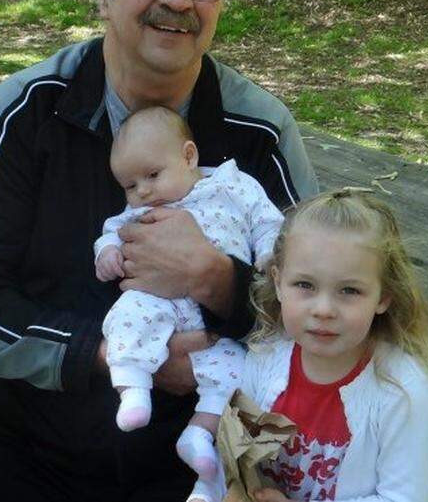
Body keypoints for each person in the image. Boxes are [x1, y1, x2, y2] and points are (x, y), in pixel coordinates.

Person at [0, 0, 317, 502]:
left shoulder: (256, 129)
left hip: (204, 447)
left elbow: (323, 304)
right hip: (39, 435)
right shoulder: (29, 113)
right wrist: (118, 355)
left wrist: (217, 280)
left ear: (218, 4)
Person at [95, 105, 285, 500]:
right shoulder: (139, 210)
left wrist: (267, 253)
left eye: (152, 175)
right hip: (157, 302)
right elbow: (110, 231)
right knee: (127, 317)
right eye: (130, 185)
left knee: (239, 373)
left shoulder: (236, 185)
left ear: (188, 156)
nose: (143, 191)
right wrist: (106, 253)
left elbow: (269, 222)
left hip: (215, 322)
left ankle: (200, 435)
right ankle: (132, 385)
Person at [237, 190, 428, 502]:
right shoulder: (265, 356)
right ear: (278, 282)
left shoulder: (405, 392)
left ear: (383, 297)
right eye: (305, 285)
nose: (324, 309)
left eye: (349, 290)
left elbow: (407, 498)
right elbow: (236, 451)